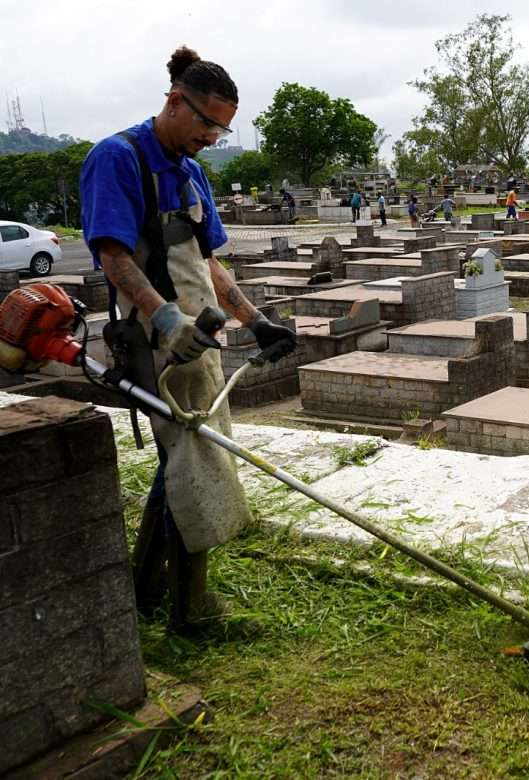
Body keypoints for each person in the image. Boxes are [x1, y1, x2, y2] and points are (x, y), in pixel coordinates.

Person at [79, 46, 297, 630]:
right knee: (195, 460)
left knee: (187, 457)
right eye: (205, 122)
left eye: (221, 128)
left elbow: (208, 266)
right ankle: (191, 611)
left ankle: (144, 590)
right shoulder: (118, 159)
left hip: (201, 343)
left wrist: (255, 319)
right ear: (175, 101)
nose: (211, 136)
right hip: (156, 346)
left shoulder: (192, 172)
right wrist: (166, 319)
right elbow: (114, 256)